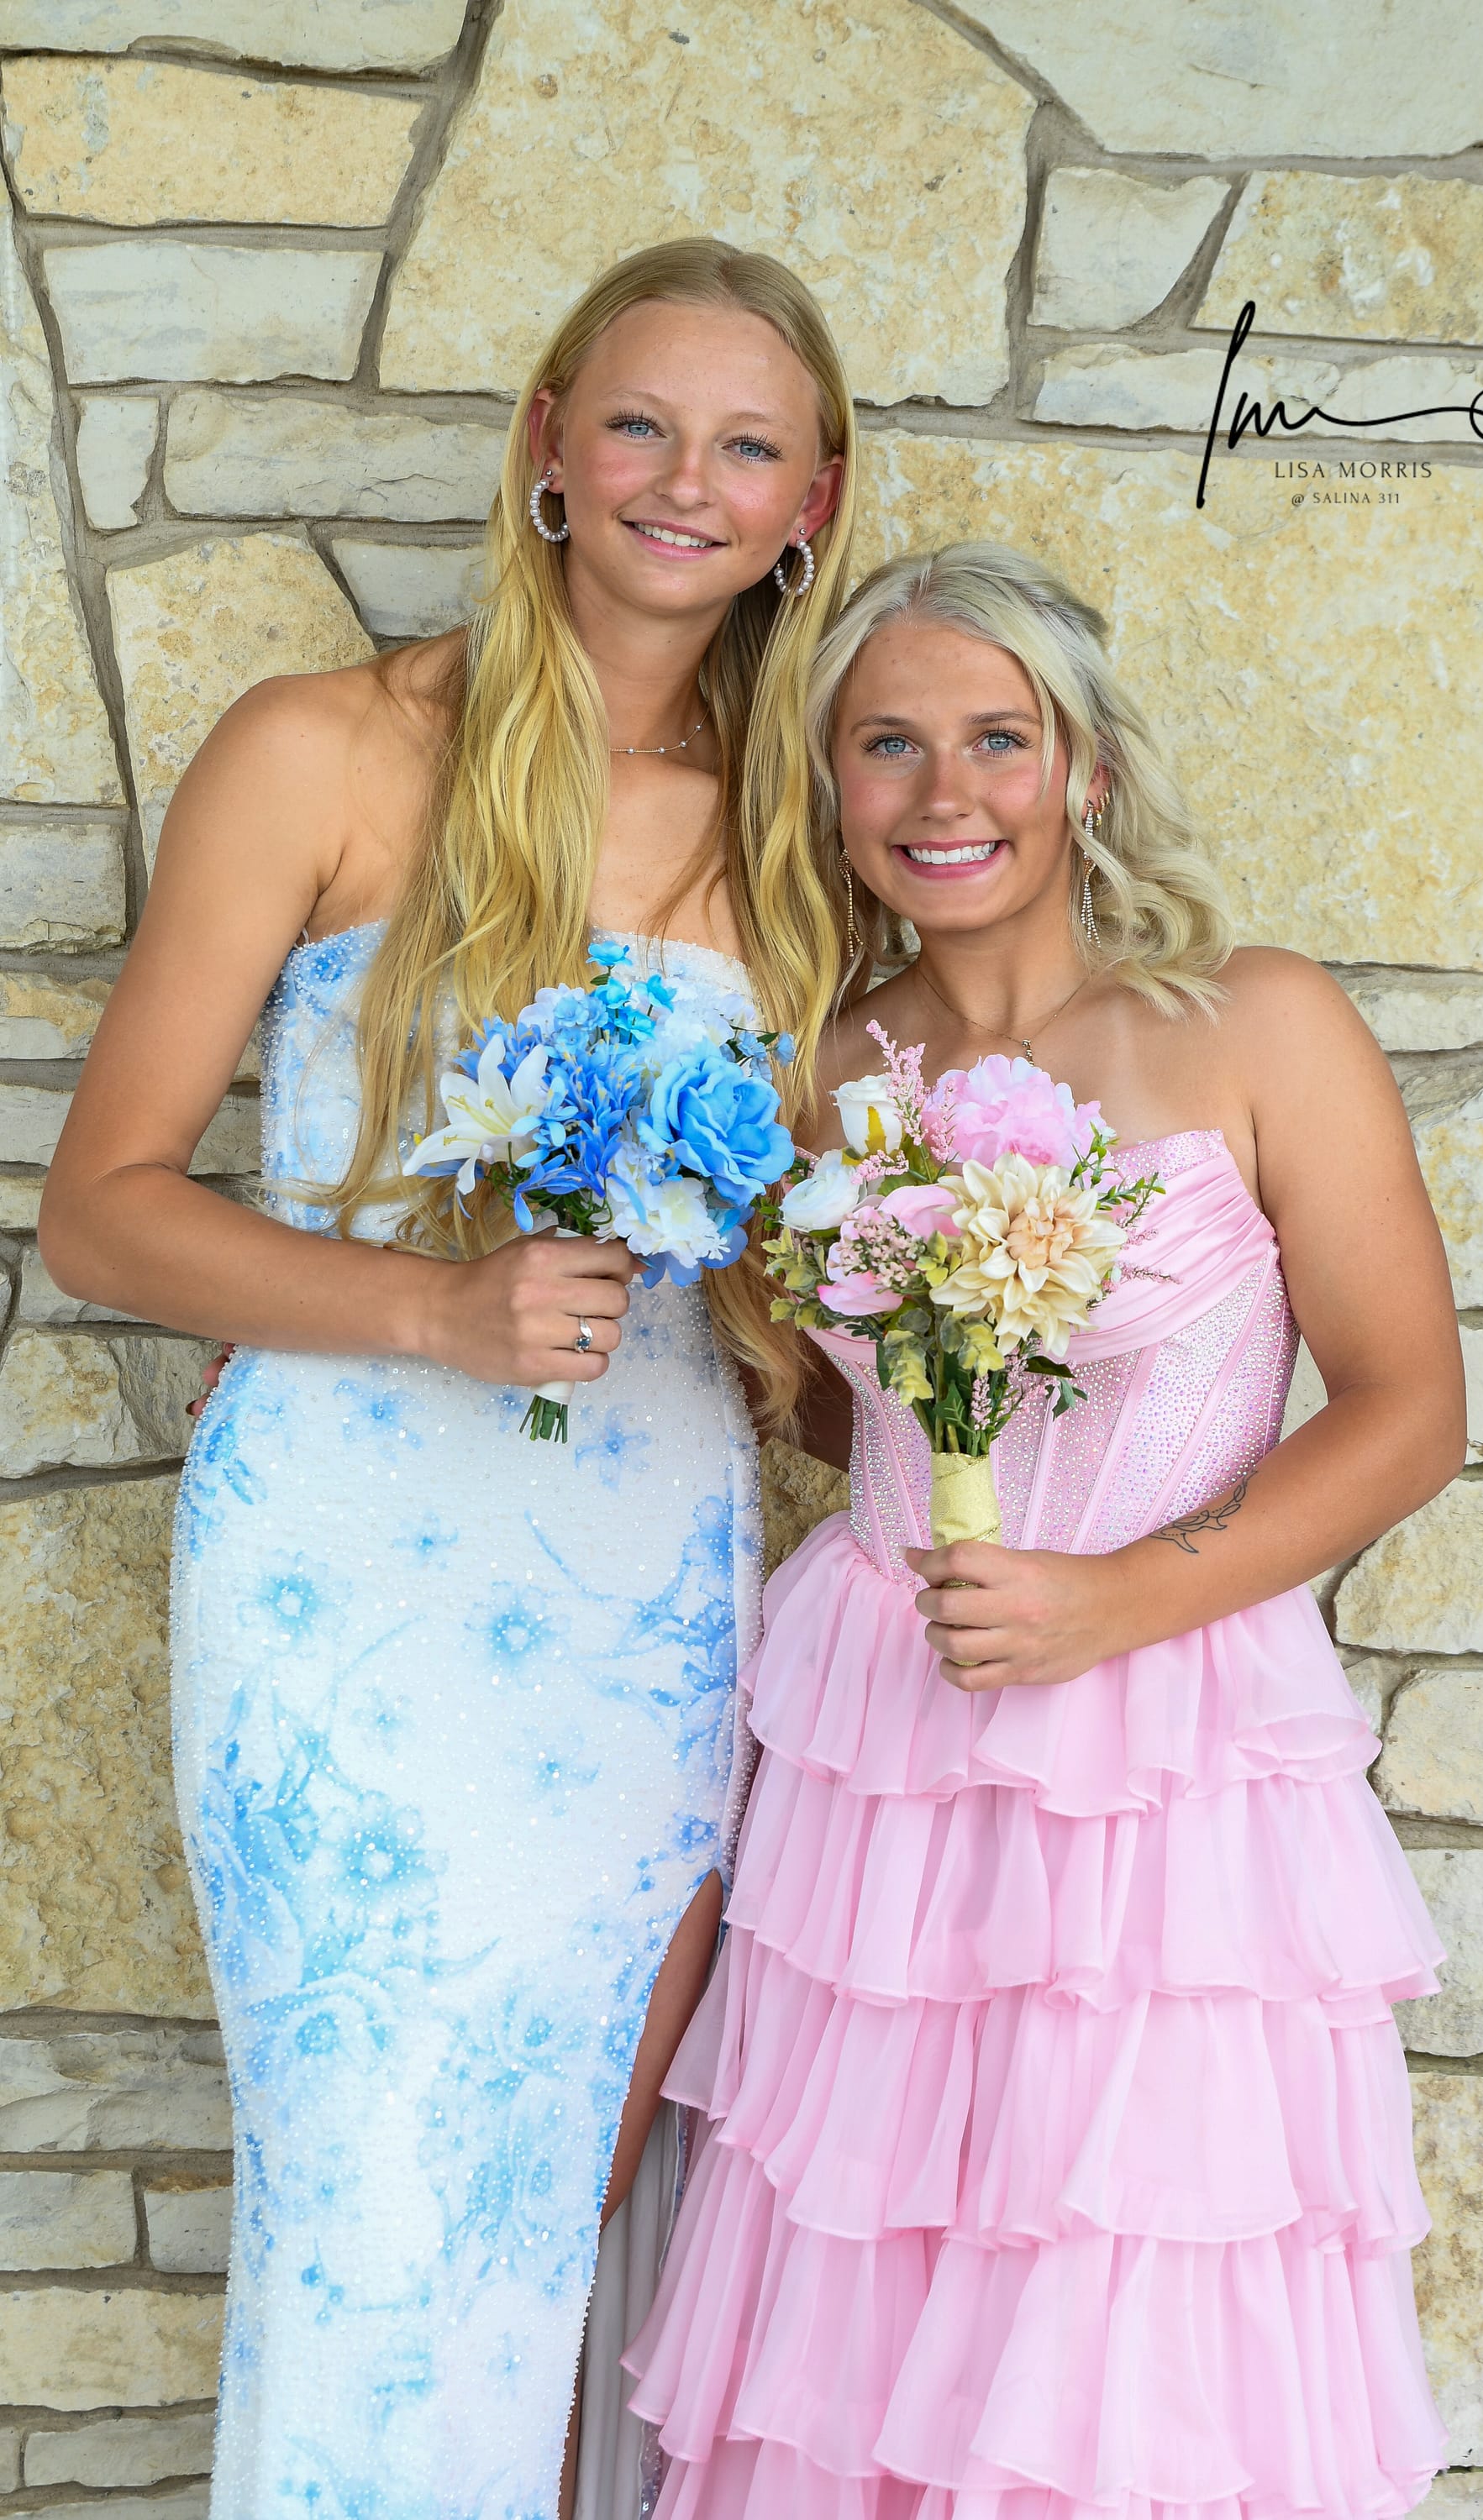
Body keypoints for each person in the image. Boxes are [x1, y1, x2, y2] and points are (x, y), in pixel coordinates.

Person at [39, 239, 855, 2520]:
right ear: (546, 448)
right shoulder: (323, 749)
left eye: (748, 445)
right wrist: (430, 1308)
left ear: (810, 502)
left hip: (642, 1583)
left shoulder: (804, 833)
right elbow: (101, 1208)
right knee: (373, 2206)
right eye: (640, 423)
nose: (685, 481)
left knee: (541, 2221)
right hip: (346, 1576)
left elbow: (795, 1294)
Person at [625, 542, 1464, 2517]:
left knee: (1128, 2277)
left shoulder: (1254, 1023)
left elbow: (1409, 1409)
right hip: (879, 1736)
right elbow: (827, 1413)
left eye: (999, 739)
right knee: (868, 2266)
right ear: (828, 786)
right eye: (887, 745)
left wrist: (1110, 1600)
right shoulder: (814, 1076)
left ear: (1083, 768)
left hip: (1168, 1736)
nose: (947, 794)